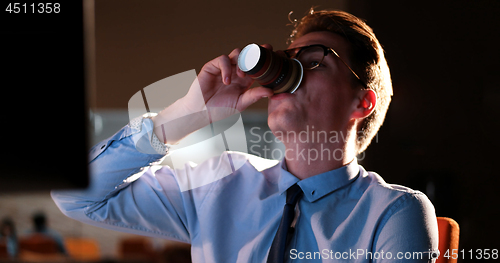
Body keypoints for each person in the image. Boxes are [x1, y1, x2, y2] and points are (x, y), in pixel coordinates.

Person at [52, 9, 439, 262]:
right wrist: (187, 115)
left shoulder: (391, 213)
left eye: (316, 64)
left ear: (362, 103)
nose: (290, 78)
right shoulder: (218, 185)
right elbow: (75, 195)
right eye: (289, 64)